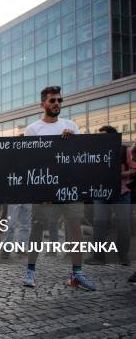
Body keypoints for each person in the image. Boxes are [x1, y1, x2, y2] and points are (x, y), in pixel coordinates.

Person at [22, 85, 95, 290]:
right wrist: (37, 188)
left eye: (59, 100)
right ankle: (30, 271)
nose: (57, 104)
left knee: (74, 228)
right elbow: (29, 160)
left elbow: (80, 156)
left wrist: (72, 141)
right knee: (38, 227)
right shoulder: (33, 129)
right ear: (42, 104)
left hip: (68, 185)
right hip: (44, 186)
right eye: (52, 100)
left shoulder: (70, 125)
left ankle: (76, 274)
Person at [84, 125, 134, 266]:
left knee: (123, 224)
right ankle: (98, 257)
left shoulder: (126, 150)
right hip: (101, 193)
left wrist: (118, 175)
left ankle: (123, 255)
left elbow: (133, 170)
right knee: (99, 224)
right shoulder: (96, 152)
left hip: (121, 193)